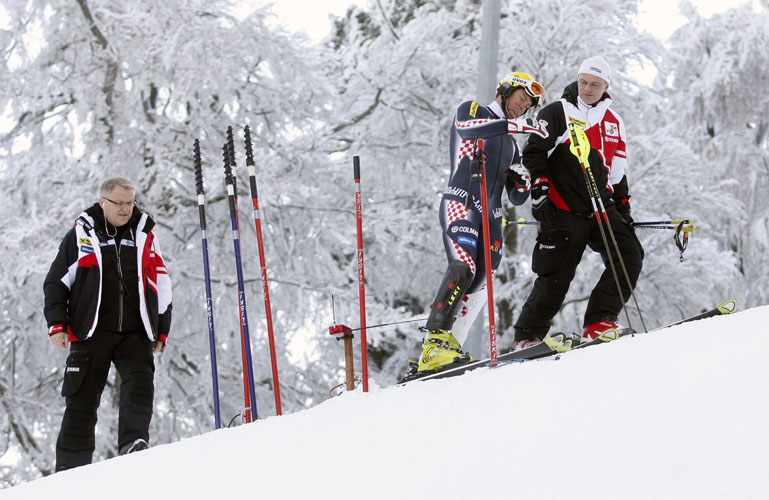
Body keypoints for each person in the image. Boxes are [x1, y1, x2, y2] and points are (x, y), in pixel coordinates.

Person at [415, 72, 549, 373]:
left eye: (528, 105)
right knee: (463, 268)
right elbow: (468, 129)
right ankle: (433, 344)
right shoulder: (475, 110)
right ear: (505, 90)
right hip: (461, 201)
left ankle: (449, 346)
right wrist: (514, 124)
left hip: (491, 214)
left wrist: (523, 182)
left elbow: (515, 198)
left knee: (480, 280)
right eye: (521, 98)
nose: (523, 107)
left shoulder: (513, 145)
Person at [513, 56, 644, 349]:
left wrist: (624, 210)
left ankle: (599, 322)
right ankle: (528, 336)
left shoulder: (614, 121)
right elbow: (533, 152)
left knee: (630, 254)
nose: (587, 88)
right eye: (583, 82)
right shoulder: (558, 111)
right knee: (557, 273)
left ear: (606, 86)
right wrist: (540, 184)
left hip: (601, 207)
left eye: (595, 84)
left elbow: (618, 172)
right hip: (563, 206)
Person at [44, 177, 172, 471]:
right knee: (81, 402)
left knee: (139, 387)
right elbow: (56, 282)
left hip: (135, 332)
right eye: (120, 203)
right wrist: (56, 324)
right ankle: (70, 469)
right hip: (90, 332)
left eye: (130, 202)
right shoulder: (81, 235)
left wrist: (161, 328)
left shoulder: (145, 235)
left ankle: (134, 446)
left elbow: (162, 284)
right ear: (103, 202)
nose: (126, 209)